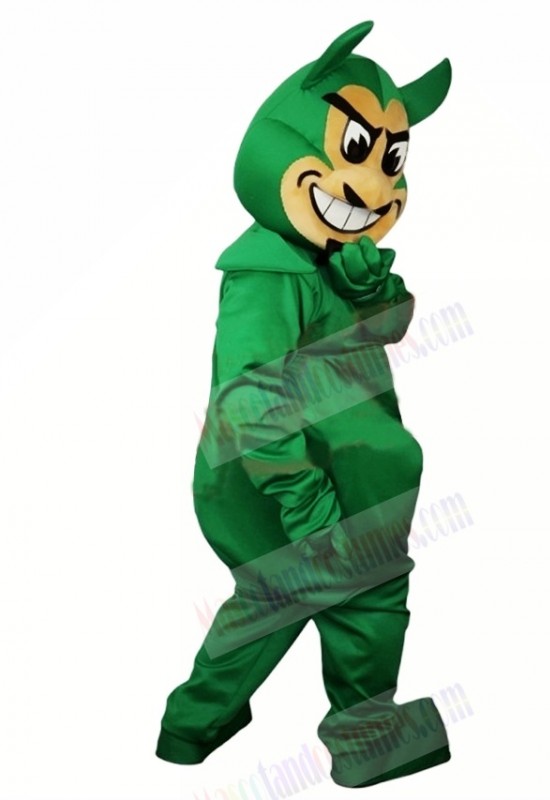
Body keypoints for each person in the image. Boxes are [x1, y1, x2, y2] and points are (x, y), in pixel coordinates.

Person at [155, 20, 453, 788]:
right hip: (298, 487)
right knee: (352, 598)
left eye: (390, 160)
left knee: (283, 599)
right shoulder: (269, 274)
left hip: (341, 475)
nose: (373, 188)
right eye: (354, 149)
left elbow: (388, 325)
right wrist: (306, 504)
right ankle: (360, 737)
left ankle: (197, 724)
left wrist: (368, 287)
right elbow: (249, 397)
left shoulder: (323, 259)